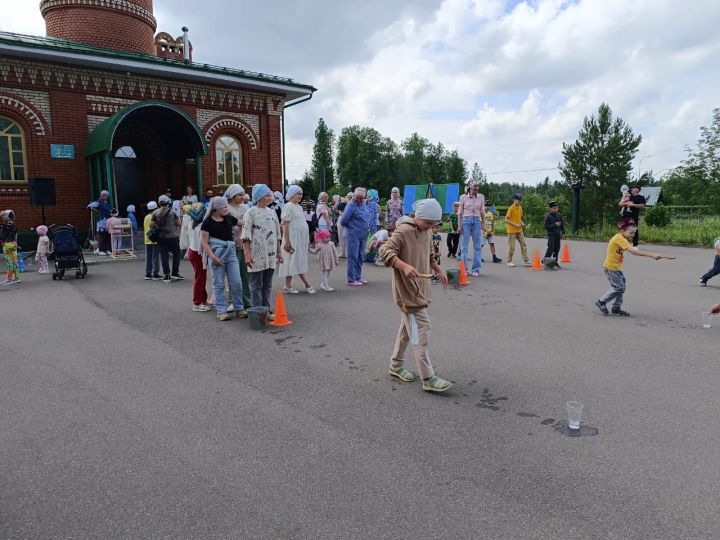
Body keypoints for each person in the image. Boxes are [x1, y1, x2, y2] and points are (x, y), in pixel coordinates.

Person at [379, 199, 453, 393]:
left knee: (407, 328)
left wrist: (437, 268)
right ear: (418, 217)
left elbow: (429, 254)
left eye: (435, 224)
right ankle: (428, 377)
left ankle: (395, 365)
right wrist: (403, 266)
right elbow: (384, 251)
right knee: (422, 328)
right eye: (429, 223)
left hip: (420, 287)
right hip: (407, 292)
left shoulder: (426, 231)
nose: (432, 228)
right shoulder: (403, 231)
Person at [595, 217, 674, 317]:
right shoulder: (619, 238)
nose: (633, 235)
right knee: (619, 288)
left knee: (621, 287)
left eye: (634, 233)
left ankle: (616, 308)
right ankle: (601, 301)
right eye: (631, 233)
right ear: (622, 230)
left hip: (616, 268)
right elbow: (633, 251)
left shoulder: (622, 238)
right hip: (611, 268)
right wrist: (651, 254)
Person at [200, 197, 247, 321]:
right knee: (219, 283)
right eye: (224, 207)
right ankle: (221, 310)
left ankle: (239, 308)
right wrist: (213, 257)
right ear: (216, 209)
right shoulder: (207, 222)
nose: (227, 208)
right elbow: (204, 243)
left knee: (236, 281)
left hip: (231, 252)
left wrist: (238, 237)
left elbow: (243, 224)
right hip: (216, 253)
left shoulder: (229, 218)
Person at [242, 184, 283, 319]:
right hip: (256, 254)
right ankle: (257, 312)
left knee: (267, 284)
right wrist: (247, 255)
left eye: (270, 195)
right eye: (266, 195)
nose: (269, 197)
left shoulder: (272, 212)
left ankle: (266, 310)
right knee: (255, 285)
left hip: (270, 254)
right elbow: (246, 235)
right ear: (259, 197)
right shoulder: (250, 212)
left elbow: (277, 234)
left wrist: (279, 252)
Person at [280, 185, 317, 294]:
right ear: (291, 194)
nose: (300, 196)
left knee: (292, 260)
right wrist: (287, 241)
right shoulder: (289, 206)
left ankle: (287, 285)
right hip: (292, 240)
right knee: (295, 259)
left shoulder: (298, 207)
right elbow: (285, 224)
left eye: (301, 194)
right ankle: (307, 284)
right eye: (298, 194)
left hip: (300, 240)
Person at [224, 184, 252, 309]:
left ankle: (247, 300)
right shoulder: (226, 209)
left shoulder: (245, 209)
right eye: (239, 195)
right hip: (231, 246)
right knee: (233, 275)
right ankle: (232, 301)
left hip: (243, 245)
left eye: (242, 194)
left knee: (245, 275)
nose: (242, 197)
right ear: (232, 195)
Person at [340, 187, 371, 286]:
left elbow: (366, 217)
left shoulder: (363, 204)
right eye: (357, 197)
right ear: (354, 196)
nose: (359, 200)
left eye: (361, 198)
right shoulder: (351, 205)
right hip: (353, 234)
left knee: (361, 256)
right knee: (353, 256)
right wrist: (353, 227)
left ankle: (358, 277)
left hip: (363, 234)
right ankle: (351, 279)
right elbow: (343, 221)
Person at [152, 194, 183, 283]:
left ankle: (166, 275)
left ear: (159, 203)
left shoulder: (155, 212)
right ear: (168, 202)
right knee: (176, 254)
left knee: (164, 255)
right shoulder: (173, 212)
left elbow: (151, 224)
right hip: (172, 236)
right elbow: (179, 223)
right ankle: (175, 273)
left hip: (161, 237)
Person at [458, 180, 486, 276]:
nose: (477, 188)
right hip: (466, 221)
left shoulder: (481, 197)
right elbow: (460, 213)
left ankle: (476, 269)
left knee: (477, 246)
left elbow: (482, 212)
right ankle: (464, 269)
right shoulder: (463, 197)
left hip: (477, 221)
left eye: (478, 186)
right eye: (475, 186)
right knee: (464, 246)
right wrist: (459, 225)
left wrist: (484, 224)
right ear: (470, 186)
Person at [187, 203, 210, 312]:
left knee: (201, 277)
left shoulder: (191, 224)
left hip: (193, 252)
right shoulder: (202, 226)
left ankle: (203, 299)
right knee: (200, 278)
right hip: (198, 253)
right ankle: (197, 303)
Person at [505, 193, 530, 267]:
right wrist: (515, 224)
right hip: (512, 231)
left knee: (524, 244)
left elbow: (519, 218)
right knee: (512, 247)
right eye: (516, 199)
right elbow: (506, 220)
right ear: (513, 200)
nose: (518, 201)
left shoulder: (520, 208)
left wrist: (522, 223)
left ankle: (526, 260)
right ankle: (509, 261)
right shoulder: (511, 208)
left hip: (519, 230)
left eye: (519, 200)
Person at [89, 190, 112, 255]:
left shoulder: (107, 204)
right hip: (101, 222)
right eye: (103, 195)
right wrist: (97, 211)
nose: (104, 196)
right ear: (101, 195)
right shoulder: (98, 202)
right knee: (102, 235)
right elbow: (90, 206)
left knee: (108, 235)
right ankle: (101, 250)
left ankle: (108, 249)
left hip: (108, 222)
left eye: (106, 195)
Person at [543, 201, 565, 267]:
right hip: (551, 234)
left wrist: (563, 232)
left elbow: (562, 225)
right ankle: (546, 261)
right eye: (554, 208)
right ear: (551, 208)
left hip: (557, 234)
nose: (556, 209)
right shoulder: (548, 216)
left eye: (557, 208)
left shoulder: (559, 215)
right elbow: (546, 226)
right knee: (551, 248)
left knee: (557, 248)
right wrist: (554, 224)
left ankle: (555, 262)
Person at [143, 201, 161, 280]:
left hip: (147, 239)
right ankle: (155, 273)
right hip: (155, 239)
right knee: (155, 257)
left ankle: (148, 273)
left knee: (148, 257)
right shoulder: (155, 217)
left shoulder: (146, 217)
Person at [1, 210, 19, 285]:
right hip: (14, 243)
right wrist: (16, 243)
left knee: (9, 262)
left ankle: (9, 279)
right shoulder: (14, 225)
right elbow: (16, 236)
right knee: (14, 261)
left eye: (3, 216)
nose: (2, 217)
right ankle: (16, 278)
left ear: (6, 217)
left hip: (7, 244)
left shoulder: (4, 225)